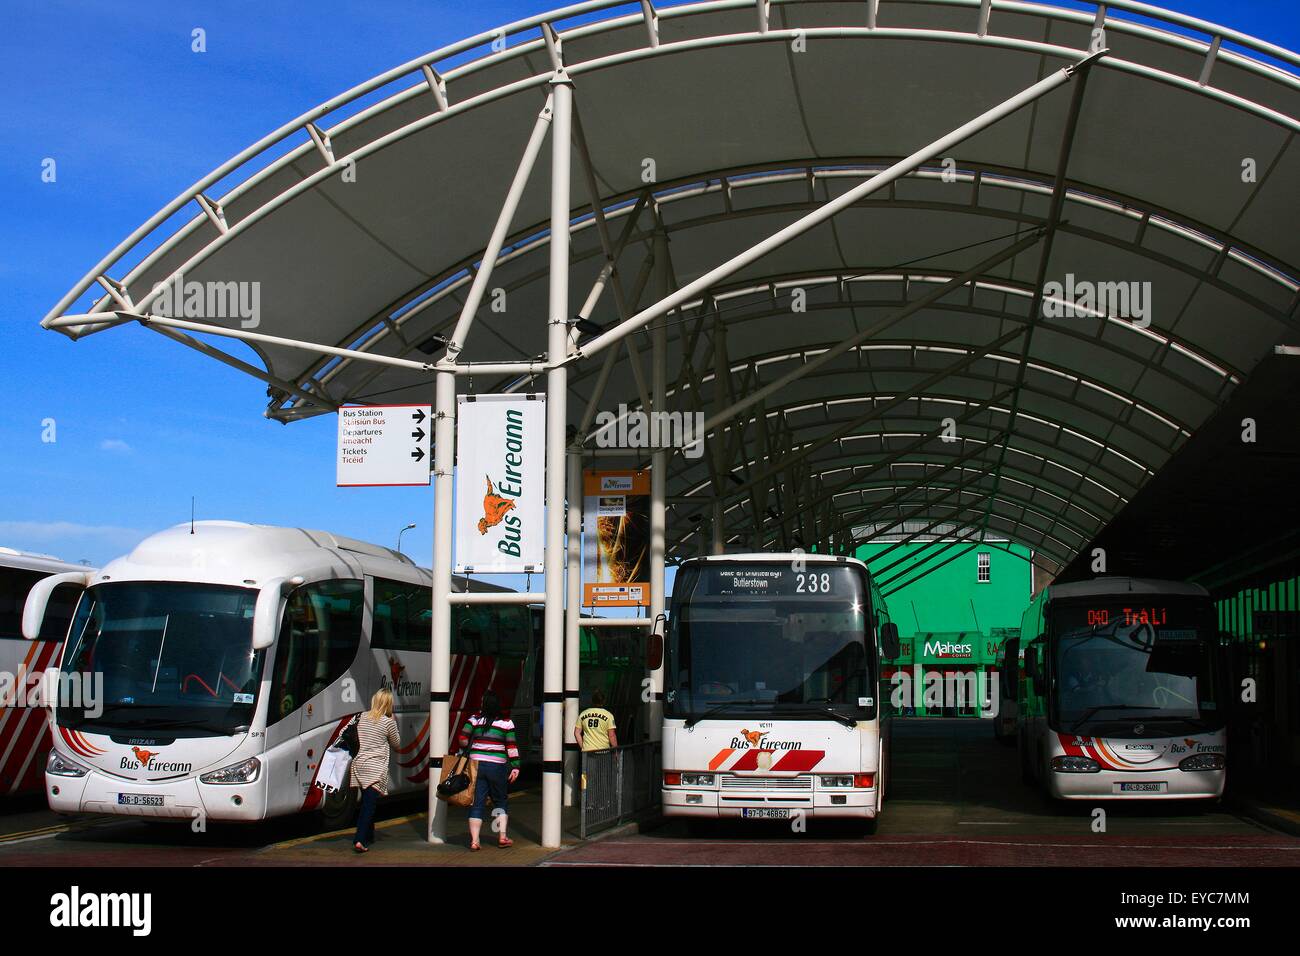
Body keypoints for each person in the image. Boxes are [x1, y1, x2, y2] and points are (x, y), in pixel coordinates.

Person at [458, 690, 520, 851]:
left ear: (484, 704)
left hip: (476, 765)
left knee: (477, 802)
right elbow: (511, 746)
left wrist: (472, 747)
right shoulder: (506, 723)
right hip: (497, 766)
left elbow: (462, 739)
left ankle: (475, 841)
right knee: (500, 800)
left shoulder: (474, 720)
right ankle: (502, 836)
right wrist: (515, 766)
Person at [350, 688, 400, 853]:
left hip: (359, 765)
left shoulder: (362, 717)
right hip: (375, 767)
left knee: (366, 801)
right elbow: (396, 743)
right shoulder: (388, 722)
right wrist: (395, 722)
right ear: (388, 704)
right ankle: (359, 840)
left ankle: (369, 835)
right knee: (369, 806)